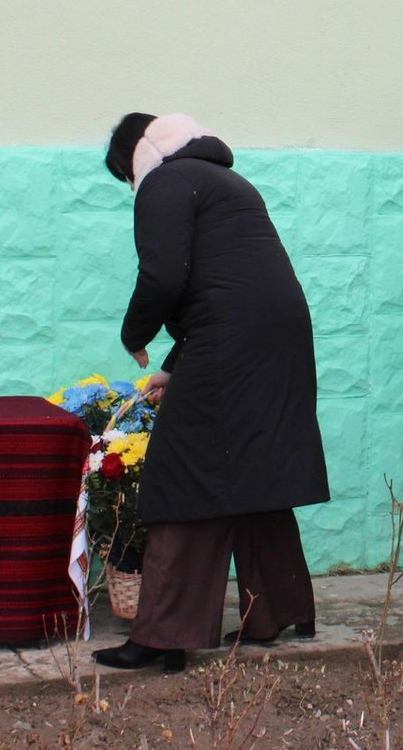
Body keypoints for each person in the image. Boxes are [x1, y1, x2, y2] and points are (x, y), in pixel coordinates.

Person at [93, 112, 330, 672]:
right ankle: (280, 608)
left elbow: (165, 275)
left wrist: (135, 335)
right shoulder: (227, 180)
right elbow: (227, 286)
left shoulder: (165, 181)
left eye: (125, 175)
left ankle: (165, 634)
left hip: (234, 339)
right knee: (251, 468)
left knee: (185, 473)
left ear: (137, 159)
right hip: (279, 334)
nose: (132, 187)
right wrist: (178, 367)